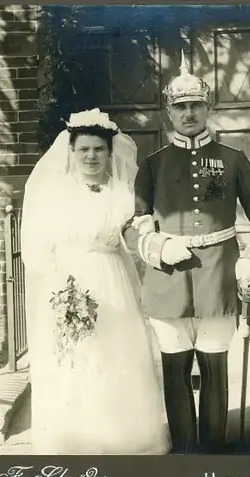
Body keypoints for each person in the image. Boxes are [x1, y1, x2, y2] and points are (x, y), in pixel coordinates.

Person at [123, 51, 250, 454]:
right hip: (168, 282)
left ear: (208, 108)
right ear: (168, 114)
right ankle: (185, 462)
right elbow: (134, 221)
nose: (188, 113)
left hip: (219, 279)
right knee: (175, 373)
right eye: (180, 107)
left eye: (195, 105)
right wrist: (156, 244)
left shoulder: (233, 160)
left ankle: (210, 461)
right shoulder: (153, 165)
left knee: (214, 372)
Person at [21, 108, 171, 455]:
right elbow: (37, 244)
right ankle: (73, 440)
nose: (91, 156)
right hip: (64, 283)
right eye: (83, 149)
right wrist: (60, 289)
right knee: (73, 360)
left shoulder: (122, 192)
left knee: (117, 355)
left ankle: (124, 439)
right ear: (71, 152)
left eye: (99, 149)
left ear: (110, 152)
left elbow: (135, 235)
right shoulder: (53, 193)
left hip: (112, 280)